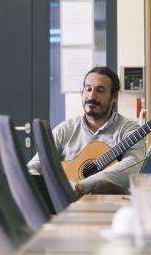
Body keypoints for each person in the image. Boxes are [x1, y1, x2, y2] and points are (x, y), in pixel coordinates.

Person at [28, 66, 144, 195]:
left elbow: (133, 165)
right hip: (68, 208)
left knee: (105, 187)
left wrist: (84, 184)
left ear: (114, 97)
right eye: (88, 89)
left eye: (100, 90)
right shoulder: (65, 130)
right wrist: (56, 186)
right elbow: (32, 167)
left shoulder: (130, 129)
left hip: (110, 209)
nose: (91, 96)